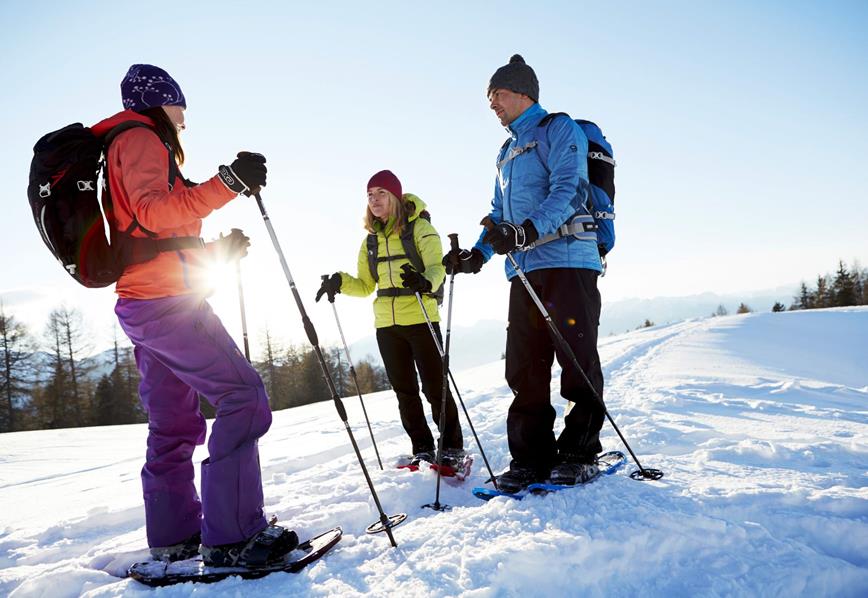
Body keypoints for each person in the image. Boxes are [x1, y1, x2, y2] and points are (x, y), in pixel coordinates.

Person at [98, 64, 297, 567]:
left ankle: (174, 534)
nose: (184, 119)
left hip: (143, 302)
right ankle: (234, 536)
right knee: (243, 396)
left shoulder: (126, 143)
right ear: (163, 102)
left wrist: (215, 250)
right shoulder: (141, 137)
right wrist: (227, 182)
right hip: (168, 304)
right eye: (180, 106)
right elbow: (154, 212)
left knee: (173, 422)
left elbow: (156, 235)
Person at [444, 55, 606, 493]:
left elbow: (568, 189)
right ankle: (532, 458)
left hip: (569, 261)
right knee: (524, 366)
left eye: (496, 94)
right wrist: (475, 255)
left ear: (522, 92)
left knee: (575, 360)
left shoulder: (557, 128)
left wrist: (529, 229)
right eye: (489, 98)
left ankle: (579, 452)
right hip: (524, 269)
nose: (492, 105)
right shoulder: (506, 151)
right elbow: (499, 215)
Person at [316, 170, 465, 470]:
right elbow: (365, 285)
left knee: (435, 387)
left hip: (421, 317)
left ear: (396, 196)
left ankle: (451, 449)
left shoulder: (420, 229)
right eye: (369, 195)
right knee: (405, 391)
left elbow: (437, 268)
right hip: (387, 325)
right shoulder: (370, 241)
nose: (374, 199)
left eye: (381, 193)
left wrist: (424, 281)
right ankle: (421, 447)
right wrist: (340, 283)